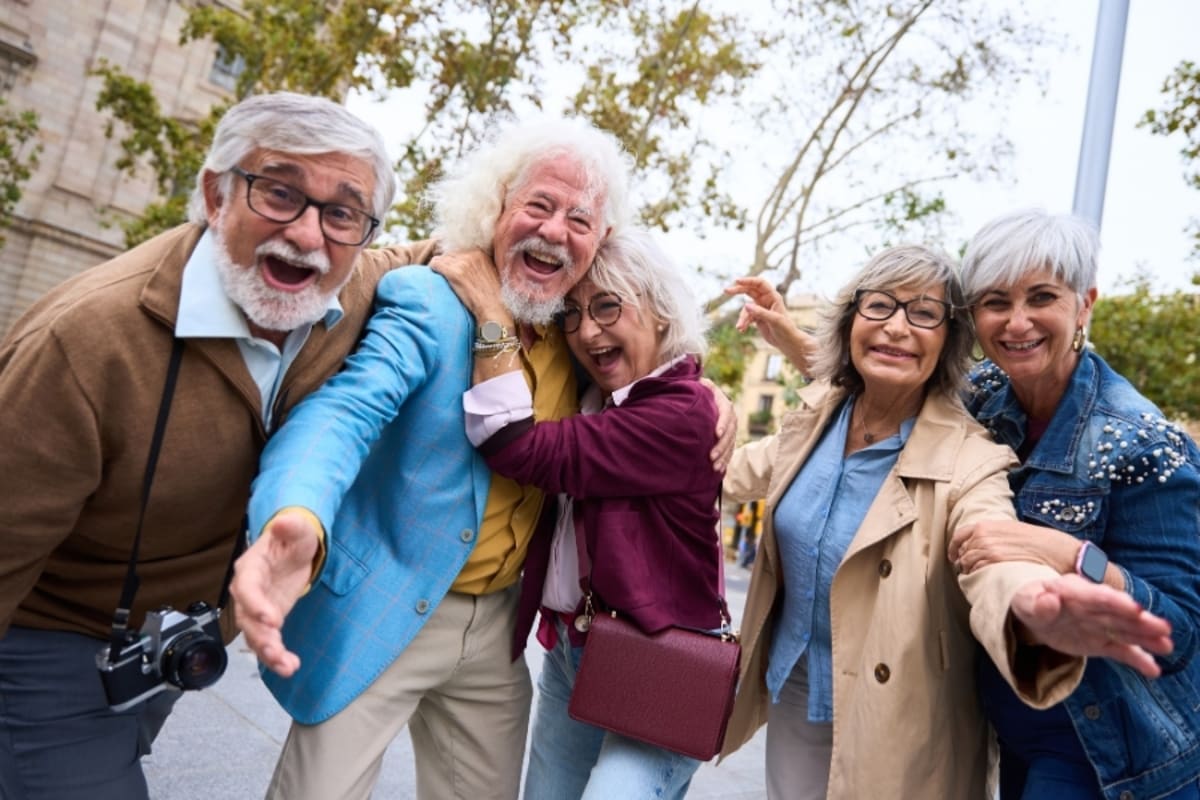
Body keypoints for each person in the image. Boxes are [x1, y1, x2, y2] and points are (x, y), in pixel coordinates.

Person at [230, 119, 734, 800]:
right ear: (492, 210)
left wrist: (704, 389)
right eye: (537, 205)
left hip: (499, 634)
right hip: (386, 614)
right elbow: (344, 413)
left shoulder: (574, 330)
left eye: (579, 218)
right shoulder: (429, 300)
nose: (554, 230)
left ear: (599, 241)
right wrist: (296, 510)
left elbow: (644, 374)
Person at [0, 91, 436, 800]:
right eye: (279, 192)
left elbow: (440, 254)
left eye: (341, 212)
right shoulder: (83, 342)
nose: (306, 235)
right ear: (214, 193)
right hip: (55, 646)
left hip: (168, 651)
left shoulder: (350, 290)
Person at [718, 245, 1173, 799]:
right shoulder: (818, 418)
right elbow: (721, 474)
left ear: (948, 340)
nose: (897, 328)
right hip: (795, 690)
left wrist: (1027, 609)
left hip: (903, 727)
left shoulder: (973, 458)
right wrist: (697, 411)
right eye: (880, 305)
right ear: (852, 319)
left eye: (924, 313)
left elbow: (995, 558)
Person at [436, 228, 723, 799]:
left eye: (608, 306)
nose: (587, 330)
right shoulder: (595, 398)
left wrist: (492, 315)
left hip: (660, 663)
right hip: (573, 650)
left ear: (661, 311)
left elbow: (519, 448)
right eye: (572, 313)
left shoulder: (682, 412)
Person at [949, 209, 1200, 799]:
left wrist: (1065, 552)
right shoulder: (981, 397)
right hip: (1008, 724)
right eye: (994, 301)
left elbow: (1178, 635)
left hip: (1109, 749)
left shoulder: (1142, 441)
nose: (1016, 322)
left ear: (1084, 304)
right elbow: (890, 390)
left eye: (1041, 297)